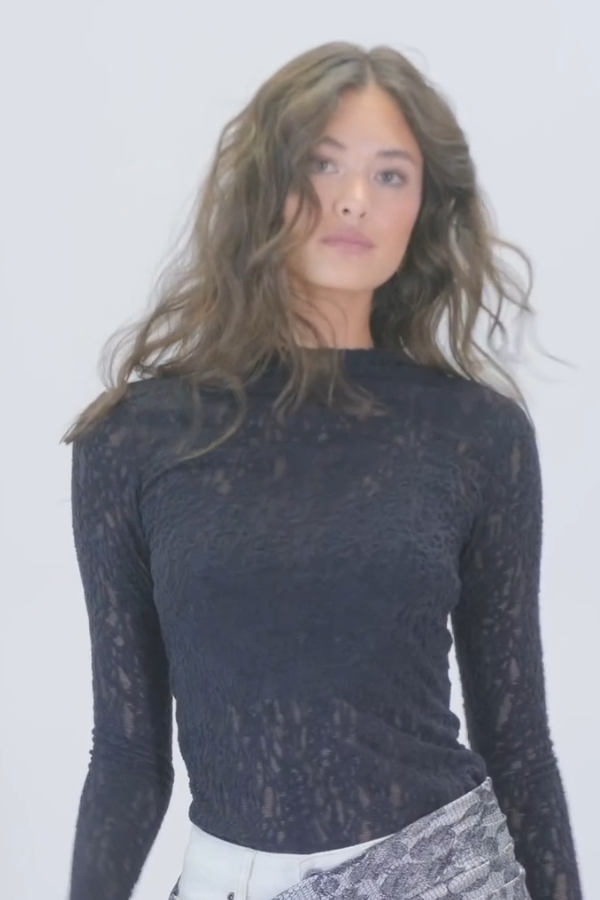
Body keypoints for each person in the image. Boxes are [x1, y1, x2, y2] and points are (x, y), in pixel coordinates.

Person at [61, 41, 583, 900]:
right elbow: (127, 755)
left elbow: (518, 744)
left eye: (390, 175)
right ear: (265, 183)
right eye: (323, 162)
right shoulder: (133, 438)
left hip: (444, 876)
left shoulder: (478, 434)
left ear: (424, 206)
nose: (353, 198)